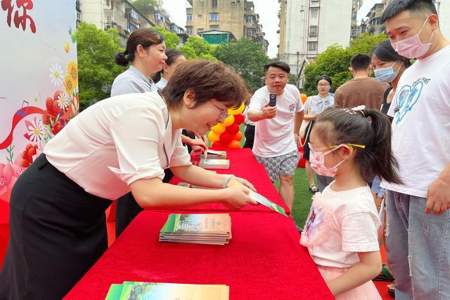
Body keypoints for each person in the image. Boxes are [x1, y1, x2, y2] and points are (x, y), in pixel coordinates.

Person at [0, 60, 258, 300]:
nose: (222, 119)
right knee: (44, 287)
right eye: (220, 110)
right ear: (190, 97)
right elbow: (149, 194)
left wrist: (229, 181)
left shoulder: (171, 122)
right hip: (50, 202)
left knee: (85, 282)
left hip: (87, 206)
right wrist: (223, 195)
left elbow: (183, 169)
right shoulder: (142, 114)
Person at [380, 0, 450, 298]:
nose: (397, 42)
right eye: (392, 36)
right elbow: (399, 124)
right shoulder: (410, 72)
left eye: (403, 32)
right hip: (398, 183)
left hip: (432, 188)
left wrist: (446, 180)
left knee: (432, 277)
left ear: (432, 21)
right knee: (401, 270)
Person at [300, 107, 401, 299]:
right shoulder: (334, 188)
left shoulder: (355, 206)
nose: (310, 155)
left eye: (315, 149)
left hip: (339, 290)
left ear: (345, 151)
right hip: (321, 278)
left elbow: (371, 265)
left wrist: (323, 291)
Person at [247, 61, 304, 211]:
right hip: (264, 150)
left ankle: (287, 215)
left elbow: (300, 111)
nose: (277, 80)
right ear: (265, 79)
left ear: (287, 78)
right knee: (266, 185)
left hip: (287, 146)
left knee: (287, 179)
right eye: (272, 76)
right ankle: (268, 216)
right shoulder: (260, 94)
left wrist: (296, 132)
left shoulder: (293, 91)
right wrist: (263, 114)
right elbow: (251, 115)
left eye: (281, 76)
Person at [301, 75, 335, 193]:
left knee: (329, 154)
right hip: (312, 128)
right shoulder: (310, 99)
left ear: (330, 86)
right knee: (309, 157)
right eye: (320, 84)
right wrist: (314, 117)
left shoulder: (335, 99)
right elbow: (301, 115)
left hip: (330, 130)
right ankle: (311, 184)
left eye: (325, 84)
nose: (323, 87)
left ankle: (330, 182)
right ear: (317, 86)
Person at [112, 28, 166, 96]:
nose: (165, 57)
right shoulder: (127, 82)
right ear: (141, 50)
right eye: (161, 50)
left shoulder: (149, 83)